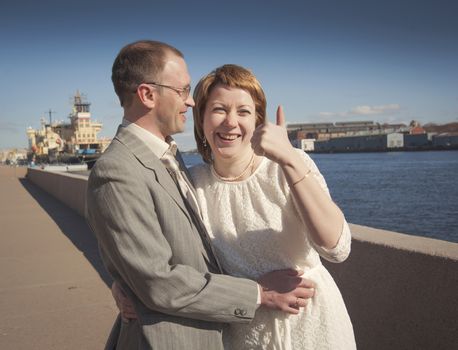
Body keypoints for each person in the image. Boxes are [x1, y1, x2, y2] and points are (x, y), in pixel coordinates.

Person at [86, 41, 315, 350]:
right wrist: (260, 293)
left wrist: (125, 280)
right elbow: (158, 282)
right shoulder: (117, 171)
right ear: (147, 95)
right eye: (182, 91)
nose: (191, 102)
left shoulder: (165, 156)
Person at [188, 64, 356, 349]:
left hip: (313, 327)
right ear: (201, 120)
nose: (230, 122)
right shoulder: (191, 183)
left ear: (258, 122)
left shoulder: (288, 166)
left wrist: (289, 160)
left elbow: (336, 247)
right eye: (218, 109)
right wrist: (125, 282)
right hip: (244, 333)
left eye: (243, 112)